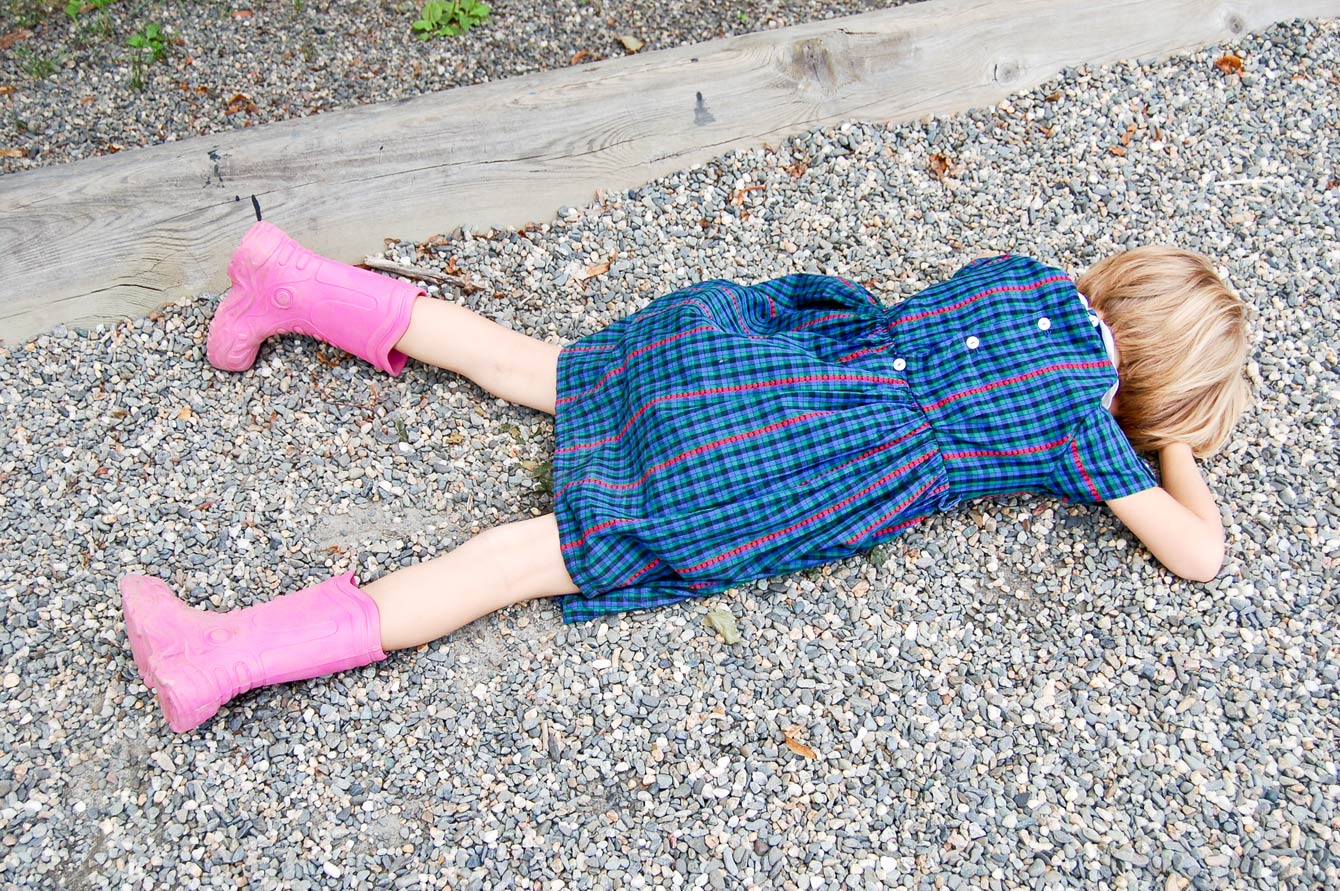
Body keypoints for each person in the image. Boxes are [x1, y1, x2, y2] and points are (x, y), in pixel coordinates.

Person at [120, 221, 1250, 733]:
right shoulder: (1080, 429)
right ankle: (224, 656)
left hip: (740, 369)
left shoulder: (1027, 276)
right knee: (515, 562)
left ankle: (290, 282)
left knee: (526, 363)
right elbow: (1197, 555)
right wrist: (1172, 451)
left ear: (1119, 280)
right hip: (769, 466)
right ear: (1159, 390)